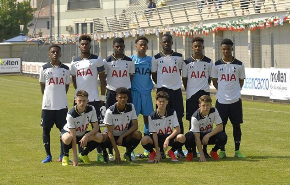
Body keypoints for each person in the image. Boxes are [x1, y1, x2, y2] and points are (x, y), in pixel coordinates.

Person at [70, 34, 107, 162]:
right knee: (80, 127)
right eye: (82, 44)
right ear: (79, 46)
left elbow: (103, 80)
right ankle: (82, 153)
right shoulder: (74, 62)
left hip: (94, 99)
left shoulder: (97, 60)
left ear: (90, 45)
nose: (84, 46)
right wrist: (79, 95)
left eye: (86, 44)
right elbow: (74, 81)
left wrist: (102, 98)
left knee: (96, 127)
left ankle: (99, 153)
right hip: (80, 100)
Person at [211, 38, 246, 158]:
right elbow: (214, 81)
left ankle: (237, 151)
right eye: (224, 49)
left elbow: (241, 81)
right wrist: (221, 90)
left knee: (237, 125)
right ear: (221, 50)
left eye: (228, 49)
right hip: (221, 101)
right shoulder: (216, 65)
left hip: (235, 100)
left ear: (232, 49)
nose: (226, 51)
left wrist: (236, 91)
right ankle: (222, 151)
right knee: (221, 126)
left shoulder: (239, 64)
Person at [151, 33, 185, 158]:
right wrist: (161, 85)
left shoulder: (179, 57)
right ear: (161, 43)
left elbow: (181, 72)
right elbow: (154, 74)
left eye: (168, 41)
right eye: (164, 42)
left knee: (179, 119)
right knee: (161, 120)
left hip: (176, 91)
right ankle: (161, 149)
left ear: (172, 42)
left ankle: (179, 149)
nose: (166, 44)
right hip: (162, 92)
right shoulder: (156, 58)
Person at [103, 37, 135, 161]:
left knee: (129, 121)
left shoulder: (129, 61)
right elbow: (104, 76)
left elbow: (130, 76)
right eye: (117, 46)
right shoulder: (107, 61)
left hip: (126, 92)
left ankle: (129, 151)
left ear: (123, 47)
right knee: (110, 122)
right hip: (111, 93)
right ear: (113, 46)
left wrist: (124, 90)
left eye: (121, 46)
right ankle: (110, 151)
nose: (119, 48)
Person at [182, 37, 213, 158]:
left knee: (205, 122)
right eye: (195, 46)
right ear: (192, 47)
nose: (197, 48)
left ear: (203, 47)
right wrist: (190, 89)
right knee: (192, 122)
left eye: (199, 46)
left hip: (204, 94)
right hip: (191, 96)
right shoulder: (186, 63)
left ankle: (204, 150)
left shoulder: (209, 62)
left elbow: (209, 78)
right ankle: (192, 150)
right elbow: (185, 79)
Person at [39, 44, 70, 163]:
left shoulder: (66, 69)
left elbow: (66, 86)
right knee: (46, 130)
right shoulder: (44, 68)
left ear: (60, 54)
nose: (55, 54)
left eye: (57, 52)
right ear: (49, 54)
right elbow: (42, 85)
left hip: (61, 106)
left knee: (64, 131)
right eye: (53, 52)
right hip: (47, 106)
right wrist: (48, 98)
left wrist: (59, 96)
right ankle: (48, 155)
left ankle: (62, 155)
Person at [61, 90, 104, 166]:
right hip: (70, 134)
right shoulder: (71, 114)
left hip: (82, 134)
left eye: (84, 101)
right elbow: (73, 136)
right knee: (67, 138)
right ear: (76, 101)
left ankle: (83, 154)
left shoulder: (91, 109)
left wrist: (86, 136)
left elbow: (96, 128)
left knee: (99, 136)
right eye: (79, 101)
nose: (82, 103)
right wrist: (75, 158)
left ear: (87, 101)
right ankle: (65, 156)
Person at [141, 91, 186, 162]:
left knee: (182, 137)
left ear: (167, 102)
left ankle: (171, 152)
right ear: (156, 102)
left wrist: (168, 139)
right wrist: (157, 151)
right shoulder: (152, 116)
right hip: (157, 138)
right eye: (160, 101)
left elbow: (178, 129)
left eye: (163, 101)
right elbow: (154, 134)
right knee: (144, 140)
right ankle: (153, 153)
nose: (161, 103)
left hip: (168, 137)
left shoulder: (172, 112)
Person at [103, 87, 142, 163]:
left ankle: (128, 153)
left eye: (125, 97)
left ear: (127, 98)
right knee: (102, 137)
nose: (123, 99)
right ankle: (107, 153)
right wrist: (117, 152)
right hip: (111, 137)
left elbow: (135, 126)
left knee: (138, 134)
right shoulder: (110, 111)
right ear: (116, 98)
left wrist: (122, 136)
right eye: (120, 97)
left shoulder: (131, 107)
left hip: (124, 136)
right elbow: (110, 133)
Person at [130, 36, 154, 158]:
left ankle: (147, 147)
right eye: (141, 44)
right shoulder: (131, 60)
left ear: (147, 46)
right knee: (132, 121)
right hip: (134, 93)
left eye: (145, 44)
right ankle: (131, 148)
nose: (143, 46)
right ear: (136, 46)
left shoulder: (151, 60)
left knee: (148, 120)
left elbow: (153, 75)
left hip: (146, 94)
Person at [185, 95, 227, 162]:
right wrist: (202, 155)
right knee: (188, 137)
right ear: (199, 106)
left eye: (207, 105)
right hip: (197, 137)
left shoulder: (214, 110)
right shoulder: (195, 117)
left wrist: (208, 135)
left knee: (223, 136)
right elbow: (197, 138)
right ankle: (190, 153)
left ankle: (214, 151)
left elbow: (220, 127)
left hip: (208, 135)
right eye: (203, 105)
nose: (205, 107)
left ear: (210, 105)